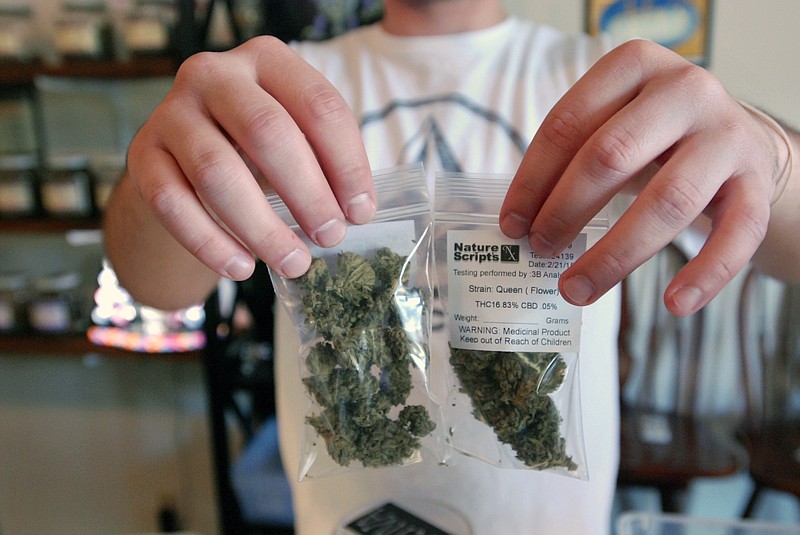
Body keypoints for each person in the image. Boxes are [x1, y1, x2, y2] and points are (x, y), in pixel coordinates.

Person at [103, 1, 800, 533]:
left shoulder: (604, 74)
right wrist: (158, 170)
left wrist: (771, 155)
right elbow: (155, 285)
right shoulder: (273, 84)